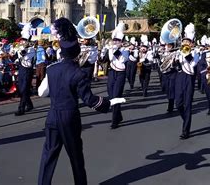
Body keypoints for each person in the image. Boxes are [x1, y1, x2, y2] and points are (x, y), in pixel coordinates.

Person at [37, 17, 125, 185]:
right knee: (76, 157)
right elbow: (90, 101)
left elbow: (42, 92)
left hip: (53, 116)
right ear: (77, 53)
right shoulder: (79, 74)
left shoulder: (52, 69)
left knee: (48, 155)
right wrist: (110, 102)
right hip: (70, 117)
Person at [174, 23, 200, 139]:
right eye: (184, 41)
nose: (185, 43)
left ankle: (186, 130)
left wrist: (186, 53)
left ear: (192, 43)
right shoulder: (179, 52)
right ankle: (186, 119)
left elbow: (193, 64)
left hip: (189, 78)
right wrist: (174, 60)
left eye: (187, 42)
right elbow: (175, 66)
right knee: (178, 103)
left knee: (188, 104)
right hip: (180, 78)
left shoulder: (196, 53)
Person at [106, 22, 129, 129]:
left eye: (117, 40)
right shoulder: (110, 48)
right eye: (114, 40)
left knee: (116, 96)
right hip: (111, 72)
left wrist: (115, 49)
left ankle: (114, 121)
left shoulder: (126, 49)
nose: (115, 42)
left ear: (121, 41)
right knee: (111, 96)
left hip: (120, 73)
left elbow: (123, 60)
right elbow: (108, 59)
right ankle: (118, 115)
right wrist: (103, 52)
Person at [15, 46, 35, 116]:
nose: (22, 42)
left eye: (24, 40)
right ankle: (29, 105)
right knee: (21, 89)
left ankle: (21, 109)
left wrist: (23, 51)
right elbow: (17, 57)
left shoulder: (31, 49)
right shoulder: (20, 47)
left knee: (24, 89)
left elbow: (27, 58)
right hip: (21, 70)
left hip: (27, 70)